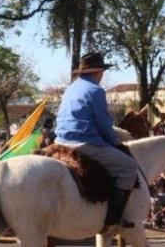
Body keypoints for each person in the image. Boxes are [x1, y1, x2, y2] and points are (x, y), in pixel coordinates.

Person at [55, 51, 139, 227]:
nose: (102, 75)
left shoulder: (70, 89)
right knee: (129, 166)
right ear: (96, 72)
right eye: (102, 71)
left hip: (60, 141)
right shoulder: (96, 90)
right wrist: (116, 142)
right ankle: (113, 219)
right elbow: (103, 125)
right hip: (83, 143)